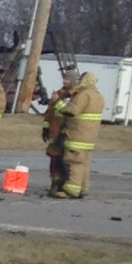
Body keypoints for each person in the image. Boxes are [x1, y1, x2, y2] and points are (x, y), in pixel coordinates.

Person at [55, 71, 105, 199]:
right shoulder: (98, 96)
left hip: (77, 135)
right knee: (84, 163)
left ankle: (71, 189)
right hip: (89, 138)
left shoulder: (84, 95)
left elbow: (72, 111)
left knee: (74, 163)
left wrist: (58, 103)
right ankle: (83, 188)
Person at [42, 82, 73, 196]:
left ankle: (64, 185)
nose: (64, 81)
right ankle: (54, 184)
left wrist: (57, 102)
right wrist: (45, 127)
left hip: (67, 134)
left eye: (67, 78)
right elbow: (49, 112)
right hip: (55, 133)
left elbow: (71, 113)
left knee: (65, 161)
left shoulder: (77, 96)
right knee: (54, 160)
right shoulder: (59, 94)